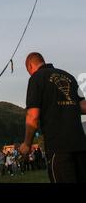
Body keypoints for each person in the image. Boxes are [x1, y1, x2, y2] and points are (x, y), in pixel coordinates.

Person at [20, 52, 86, 183]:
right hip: (80, 144)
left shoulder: (36, 78)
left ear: (30, 66)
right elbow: (83, 106)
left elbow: (32, 116)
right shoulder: (69, 76)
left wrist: (27, 144)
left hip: (58, 146)